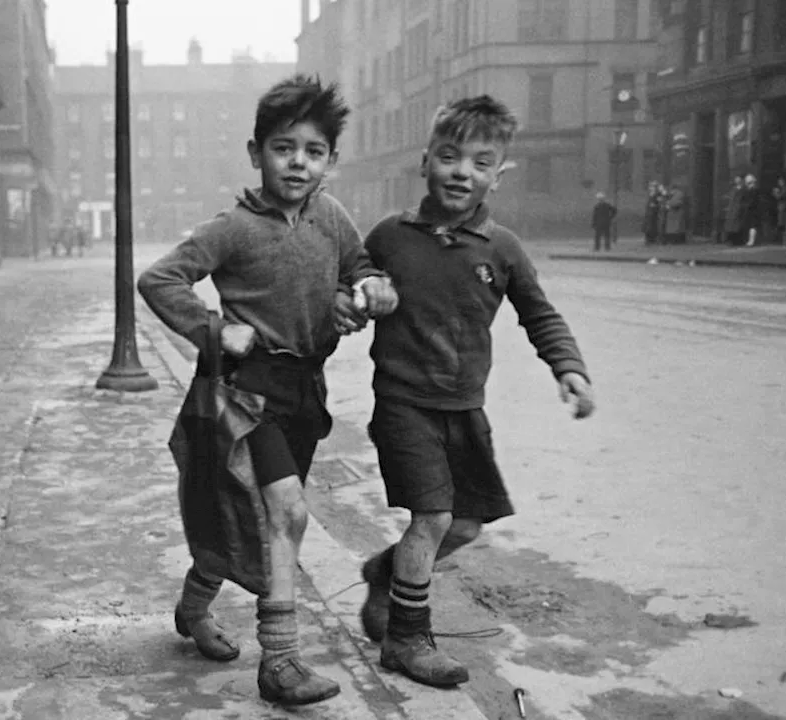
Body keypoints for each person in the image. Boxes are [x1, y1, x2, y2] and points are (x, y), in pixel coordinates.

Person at [138, 73, 399, 706]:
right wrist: (215, 329)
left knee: (250, 517)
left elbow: (360, 271)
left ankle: (193, 607)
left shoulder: (331, 217)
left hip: (301, 391)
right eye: (284, 148)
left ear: (330, 161)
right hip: (242, 392)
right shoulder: (232, 227)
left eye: (313, 151)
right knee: (285, 513)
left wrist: (368, 293)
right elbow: (158, 280)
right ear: (257, 153)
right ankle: (280, 660)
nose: (298, 162)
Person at [340, 95, 596, 688]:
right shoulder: (391, 237)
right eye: (450, 157)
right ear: (425, 160)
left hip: (465, 408)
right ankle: (407, 640)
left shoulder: (500, 248)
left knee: (464, 527)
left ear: (498, 176)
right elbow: (349, 280)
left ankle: (384, 574)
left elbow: (540, 314)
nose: (463, 172)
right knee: (432, 517)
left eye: (481, 163)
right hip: (405, 404)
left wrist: (569, 366)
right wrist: (362, 289)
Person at [741, 174, 763, 247]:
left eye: (750, 183)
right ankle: (750, 240)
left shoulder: (755, 190)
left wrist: (747, 205)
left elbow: (754, 201)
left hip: (754, 210)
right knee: (750, 226)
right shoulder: (747, 190)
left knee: (753, 226)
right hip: (749, 210)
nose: (749, 184)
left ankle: (751, 241)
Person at [722, 175, 743, 246]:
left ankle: (736, 241)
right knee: (730, 225)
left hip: (737, 208)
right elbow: (731, 198)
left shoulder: (742, 189)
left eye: (738, 179)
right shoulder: (733, 189)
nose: (737, 180)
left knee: (736, 225)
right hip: (732, 209)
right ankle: (730, 240)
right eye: (736, 179)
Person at [643, 181, 664, 245]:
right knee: (648, 226)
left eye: (653, 186)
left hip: (654, 213)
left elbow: (660, 202)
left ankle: (652, 239)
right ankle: (648, 240)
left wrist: (655, 205)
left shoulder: (657, 194)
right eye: (650, 186)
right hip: (649, 213)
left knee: (653, 226)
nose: (651, 188)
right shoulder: (651, 194)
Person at [770, 175, 786, 245]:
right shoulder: (780, 188)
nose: (780, 182)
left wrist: (776, 193)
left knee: (781, 223)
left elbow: (780, 196)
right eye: (779, 181)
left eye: (781, 181)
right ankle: (778, 239)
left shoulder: (785, 188)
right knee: (778, 223)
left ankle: (780, 239)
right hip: (778, 207)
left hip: (783, 208)